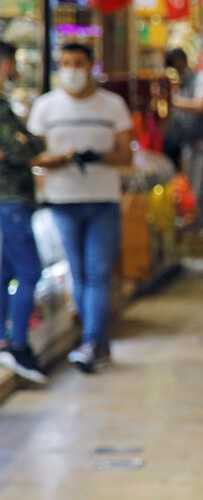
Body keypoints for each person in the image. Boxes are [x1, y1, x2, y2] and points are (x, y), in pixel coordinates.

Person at [27, 44, 135, 374]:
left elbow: (125, 154)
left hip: (103, 201)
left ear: (91, 66)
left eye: (78, 63)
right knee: (78, 274)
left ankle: (91, 340)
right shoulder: (45, 107)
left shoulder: (112, 105)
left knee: (98, 273)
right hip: (62, 203)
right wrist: (63, 158)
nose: (71, 69)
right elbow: (33, 156)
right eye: (65, 63)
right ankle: (96, 342)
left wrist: (97, 156)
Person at [0, 42, 48, 383]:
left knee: (5, 271)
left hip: (14, 199)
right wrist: (22, 144)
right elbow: (17, 149)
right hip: (11, 199)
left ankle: (6, 338)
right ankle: (17, 343)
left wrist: (25, 143)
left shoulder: (5, 105)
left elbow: (31, 143)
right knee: (29, 270)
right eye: (10, 63)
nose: (13, 70)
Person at [168, 48, 203, 231]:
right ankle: (198, 235)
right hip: (191, 145)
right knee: (193, 194)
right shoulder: (185, 83)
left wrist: (172, 102)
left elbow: (201, 106)